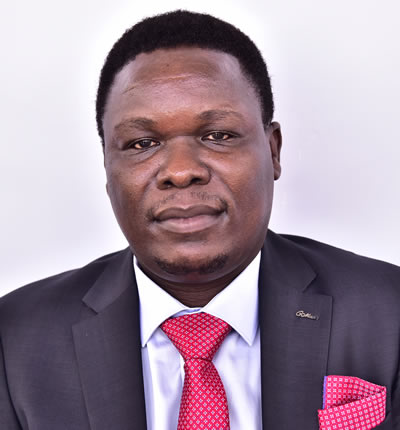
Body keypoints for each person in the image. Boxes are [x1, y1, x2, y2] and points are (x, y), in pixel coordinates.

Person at [0, 10, 399, 430]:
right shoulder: (15, 339)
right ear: (107, 168)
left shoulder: (388, 314)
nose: (180, 171)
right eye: (142, 143)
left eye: (218, 136)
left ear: (273, 151)